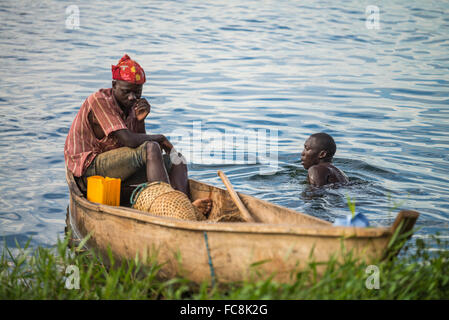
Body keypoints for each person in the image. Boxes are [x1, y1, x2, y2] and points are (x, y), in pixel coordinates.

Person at [64, 54, 211, 214]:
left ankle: (182, 207)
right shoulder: (99, 100)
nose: (132, 97)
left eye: (137, 93)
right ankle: (166, 207)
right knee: (152, 146)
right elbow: (130, 140)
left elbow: (141, 148)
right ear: (114, 85)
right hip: (89, 169)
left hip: (116, 167)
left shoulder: (133, 106)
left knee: (178, 159)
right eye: (126, 92)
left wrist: (140, 121)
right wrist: (160, 138)